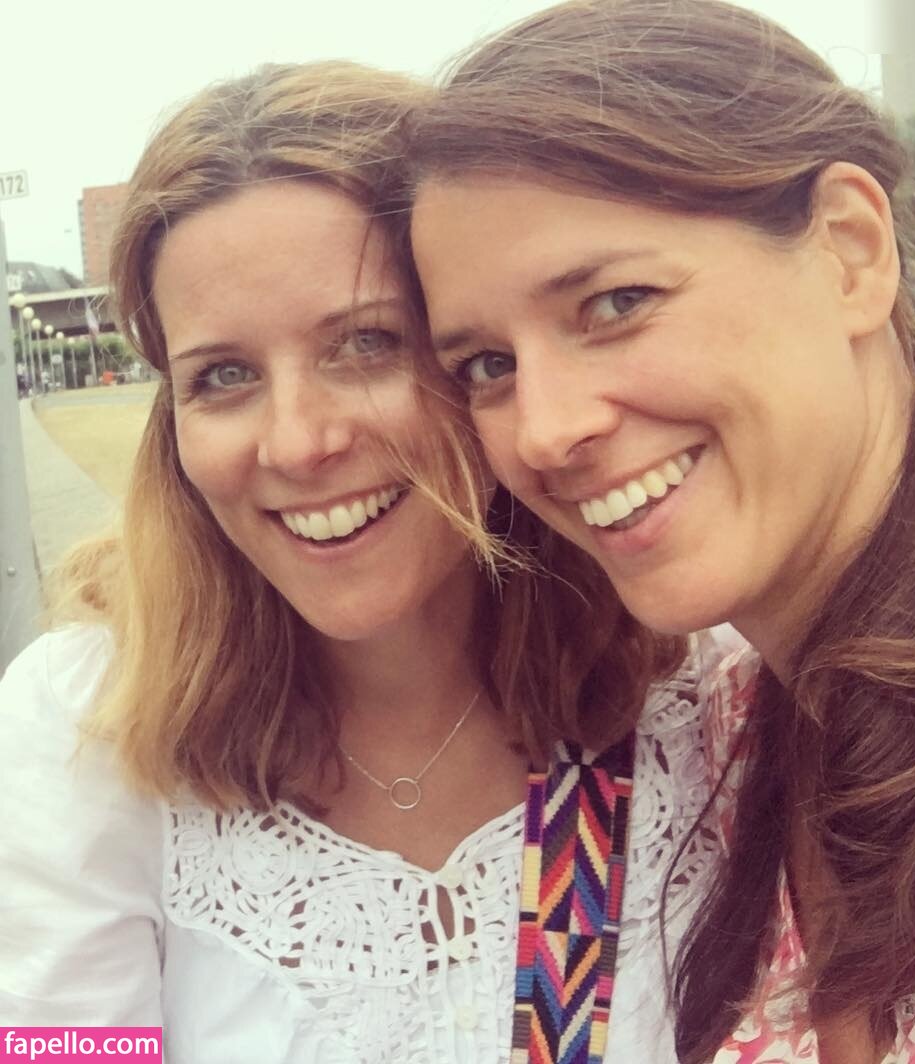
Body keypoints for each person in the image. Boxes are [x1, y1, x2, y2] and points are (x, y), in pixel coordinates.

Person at [0, 61, 719, 1063]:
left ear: (479, 357)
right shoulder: (85, 728)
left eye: (366, 344)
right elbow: (59, 1042)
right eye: (224, 375)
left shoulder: (697, 680)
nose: (298, 443)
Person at [404, 1, 915, 1061]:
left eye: (615, 303)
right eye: (488, 365)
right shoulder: (733, 717)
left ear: (850, 251)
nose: (543, 431)